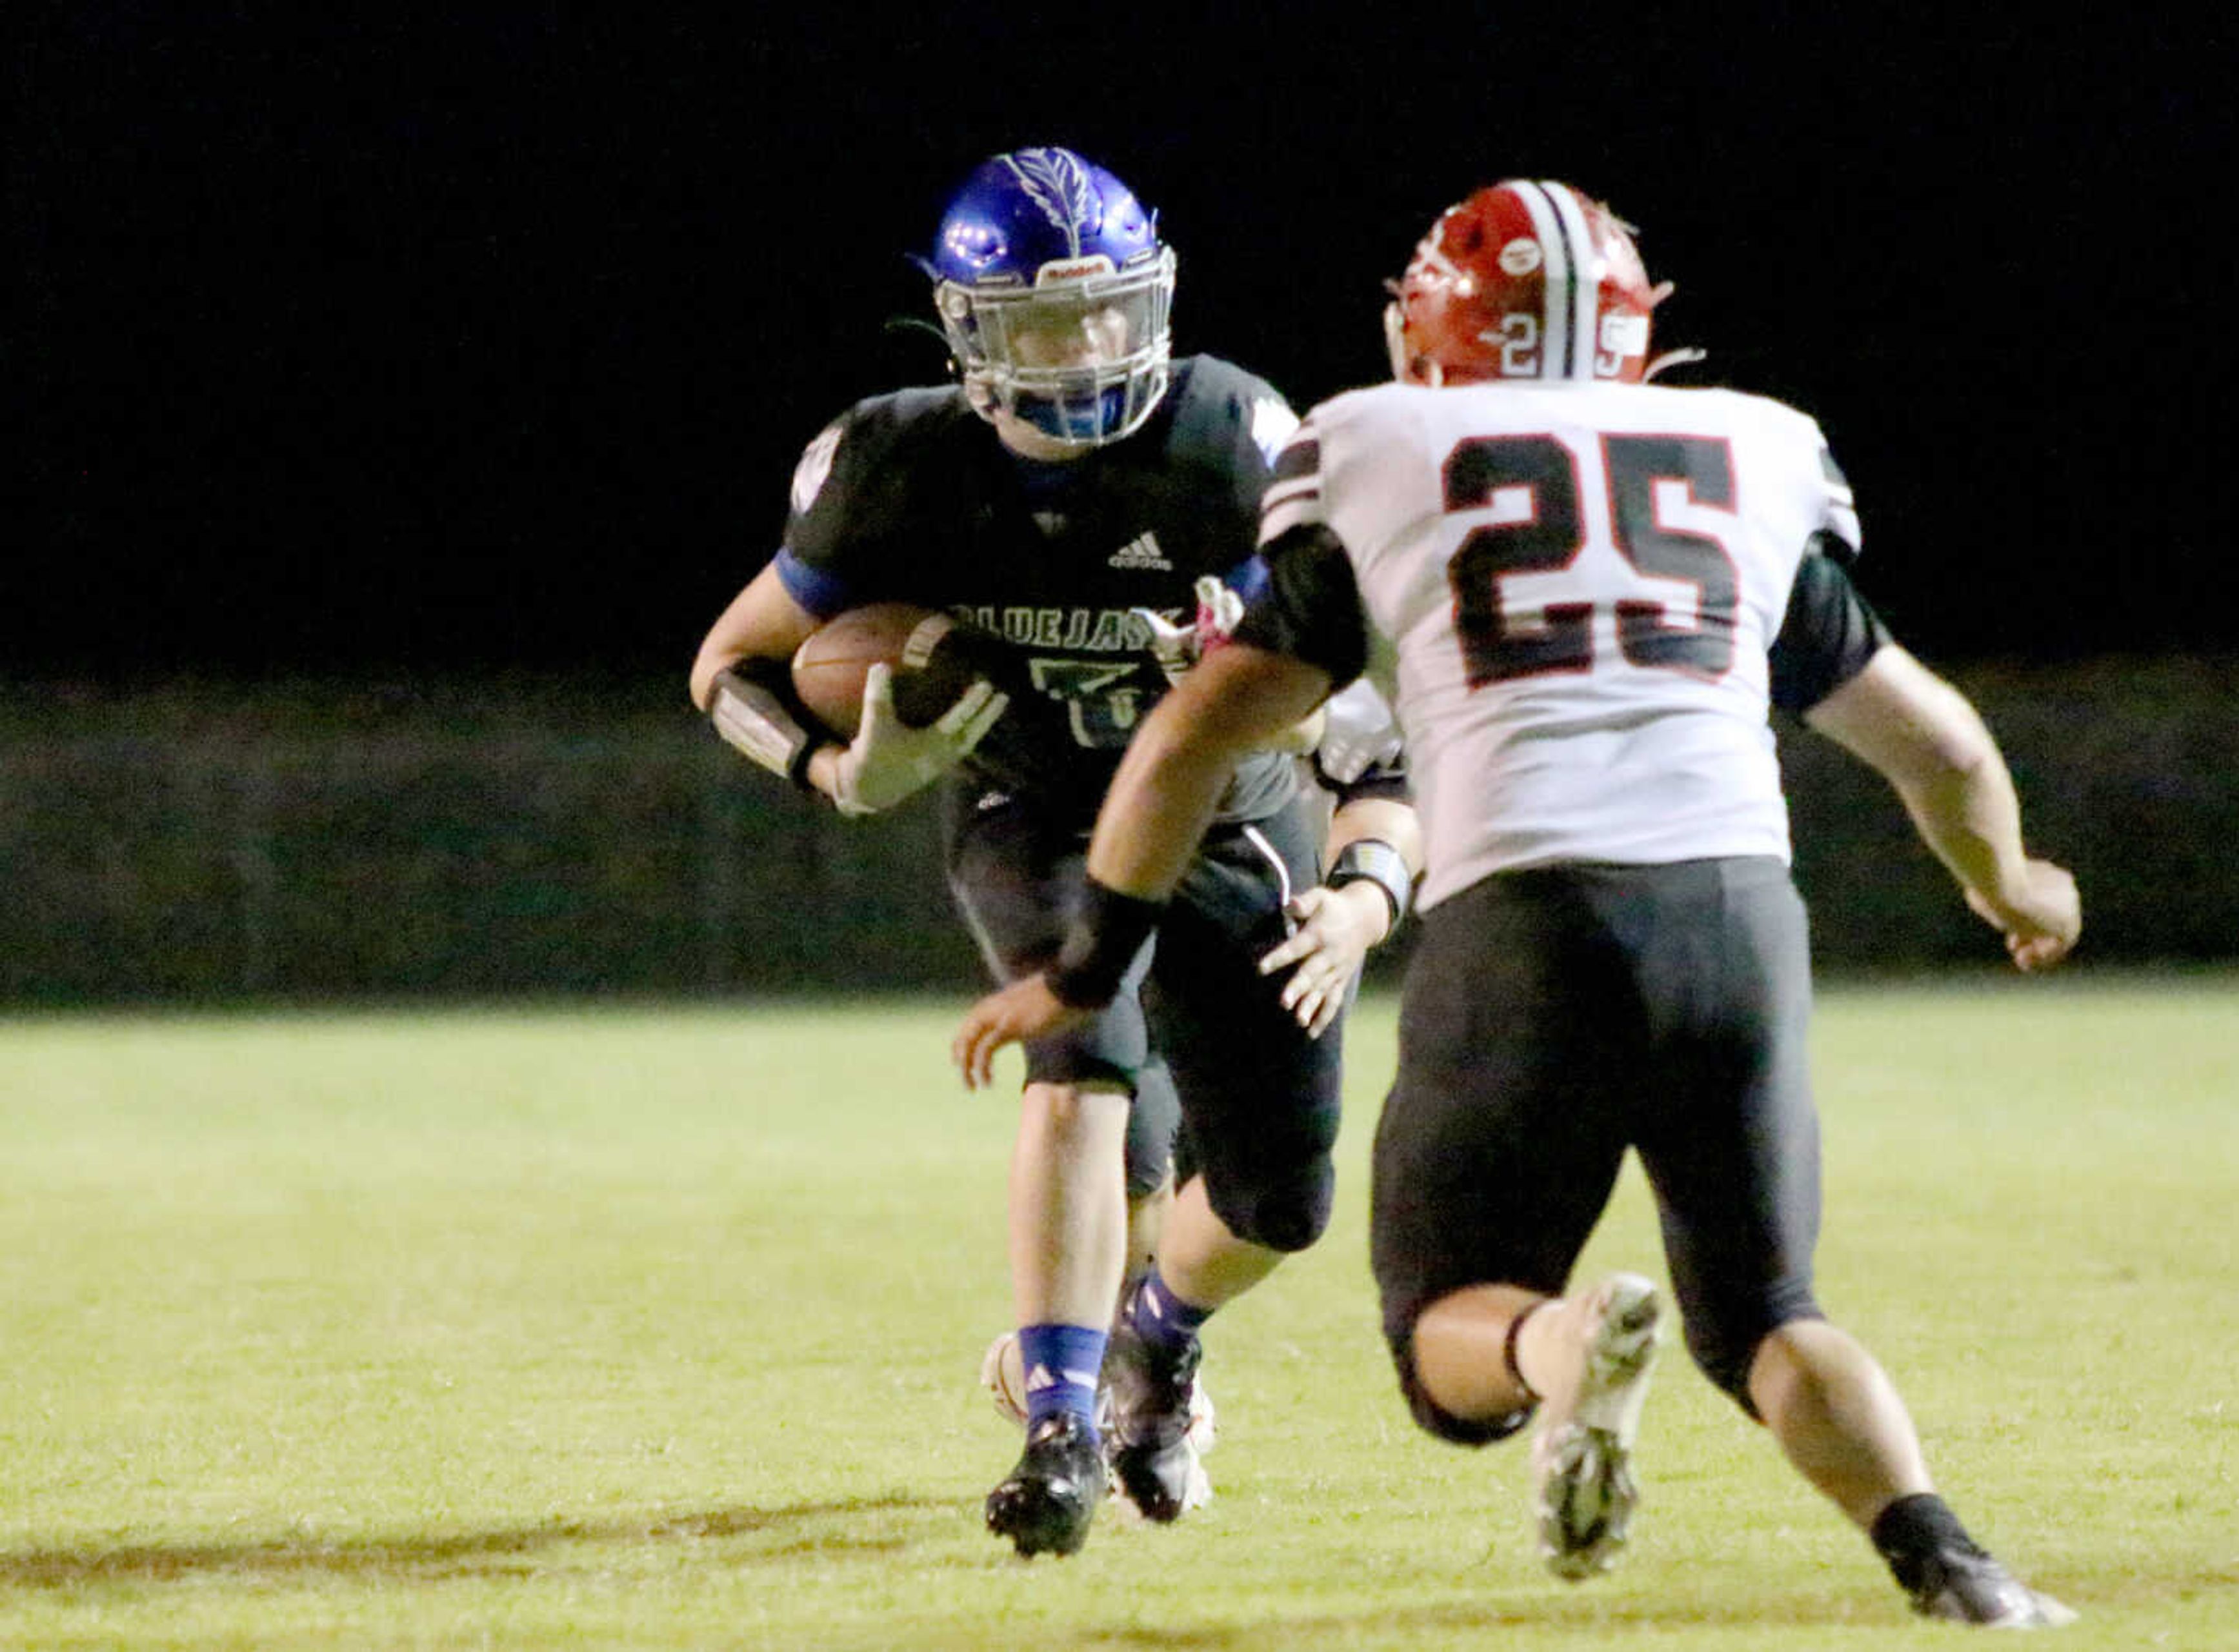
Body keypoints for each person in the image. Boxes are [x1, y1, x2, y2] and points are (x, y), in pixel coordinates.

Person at [954, 179, 2079, 1626]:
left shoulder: (1378, 445)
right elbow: (1942, 745)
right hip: (1739, 918)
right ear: (1634, 332)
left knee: (1446, 1336)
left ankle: (1563, 1355)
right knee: (1772, 1318)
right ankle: (1952, 1561)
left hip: (1526, 920)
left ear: (1431, 328)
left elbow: (1189, 739)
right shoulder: (1752, 450)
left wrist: (1089, 962)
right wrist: (2016, 886)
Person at [688, 146, 1420, 1560]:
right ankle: (1063, 1422)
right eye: (1043, 324)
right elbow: (728, 664)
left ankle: (1159, 1341)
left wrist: (1363, 894)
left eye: (1106, 312)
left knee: (1277, 1202)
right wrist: (837, 766)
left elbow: (1376, 725)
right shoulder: (897, 460)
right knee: (1085, 1071)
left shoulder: (1235, 443)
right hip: (1035, 806)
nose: (1085, 351)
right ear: (969, 333)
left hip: (1228, 806)